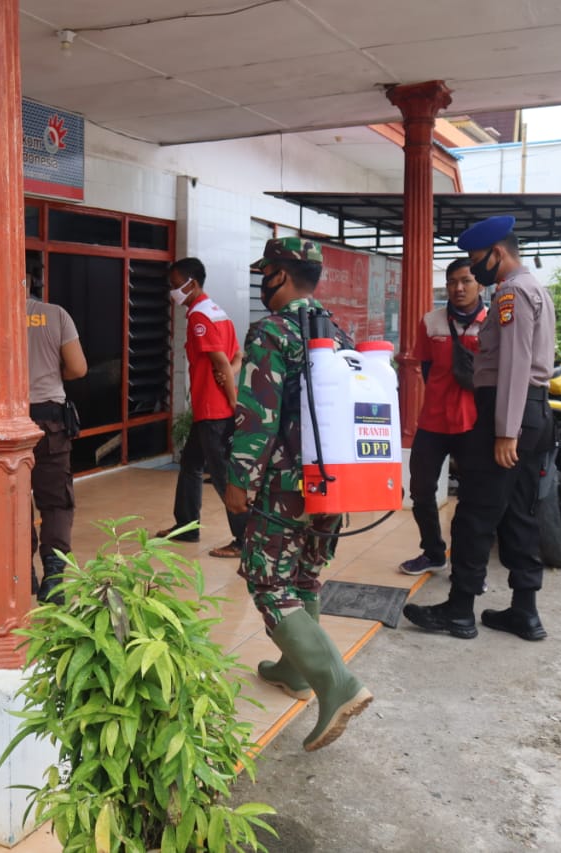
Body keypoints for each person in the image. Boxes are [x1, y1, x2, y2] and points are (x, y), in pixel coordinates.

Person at [223, 237, 372, 752]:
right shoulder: (340, 333)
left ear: (279, 277)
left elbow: (257, 417)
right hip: (333, 482)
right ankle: (295, 669)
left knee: (269, 583)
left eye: (264, 273)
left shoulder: (272, 332)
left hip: (283, 487)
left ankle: (339, 685)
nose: (262, 283)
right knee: (305, 573)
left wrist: (239, 479)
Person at [403, 216, 556, 641]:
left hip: (508, 414)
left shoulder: (511, 293)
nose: (475, 270)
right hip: (533, 411)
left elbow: (515, 363)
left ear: (497, 254)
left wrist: (505, 430)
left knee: (475, 513)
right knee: (519, 512)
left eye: (477, 261)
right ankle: (524, 611)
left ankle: (459, 610)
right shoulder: (534, 287)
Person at [399, 259, 487, 576]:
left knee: (472, 497)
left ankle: (467, 564)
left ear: (481, 285)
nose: (458, 288)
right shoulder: (431, 322)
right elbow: (425, 366)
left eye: (466, 281)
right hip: (433, 421)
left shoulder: (492, 322)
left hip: (473, 424)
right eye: (452, 282)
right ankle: (433, 552)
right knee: (421, 489)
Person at [155, 257, 248, 558]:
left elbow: (221, 361)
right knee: (191, 464)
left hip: (215, 411)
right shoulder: (217, 312)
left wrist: (234, 405)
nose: (172, 293)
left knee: (223, 478)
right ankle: (186, 526)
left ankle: (244, 541)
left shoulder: (199, 318)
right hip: (207, 409)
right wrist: (230, 374)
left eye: (174, 286)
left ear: (191, 284)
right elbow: (237, 357)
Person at [25, 261, 87, 604]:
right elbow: (78, 367)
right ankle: (54, 576)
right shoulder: (54, 314)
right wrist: (50, 371)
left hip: (7, 422)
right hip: (49, 422)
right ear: (33, 277)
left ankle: (24, 574)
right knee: (55, 502)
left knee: (16, 501)